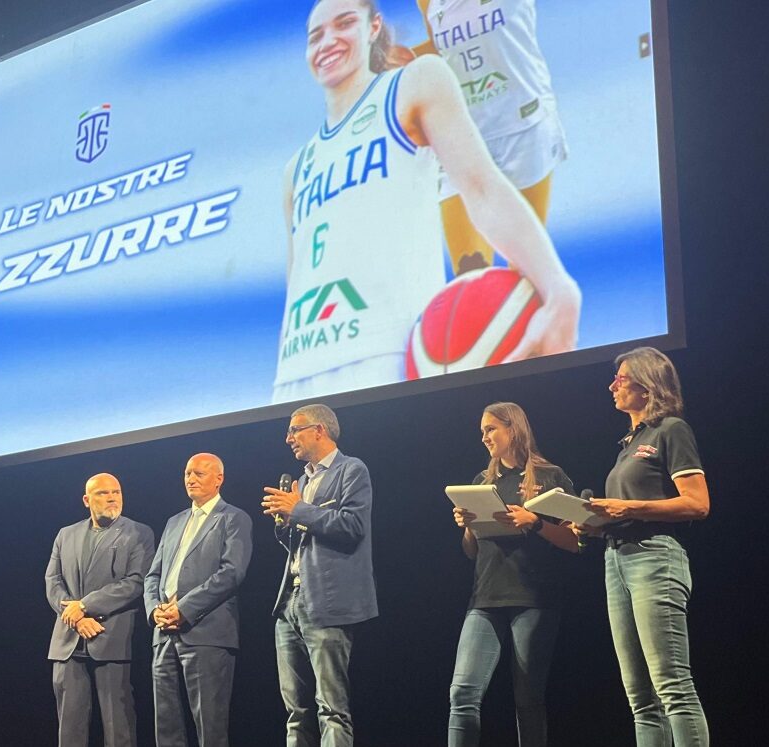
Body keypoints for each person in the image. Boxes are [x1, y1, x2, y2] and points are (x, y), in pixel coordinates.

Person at [273, 0, 581, 402]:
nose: (327, 41)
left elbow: (481, 187)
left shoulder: (413, 85)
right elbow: (296, 284)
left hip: (386, 355)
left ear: (373, 27)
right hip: (296, 377)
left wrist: (558, 287)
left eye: (344, 24)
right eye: (316, 36)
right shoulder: (295, 169)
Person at [576, 347, 710, 746]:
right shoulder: (628, 444)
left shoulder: (671, 429)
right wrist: (592, 524)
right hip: (615, 560)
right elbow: (623, 514)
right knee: (640, 698)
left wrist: (627, 506)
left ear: (647, 384)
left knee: (672, 686)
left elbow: (698, 504)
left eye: (621, 378)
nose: (612, 385)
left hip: (654, 557)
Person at [448, 402, 579, 746]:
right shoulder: (482, 481)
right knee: (462, 693)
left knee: (528, 698)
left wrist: (534, 523)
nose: (485, 437)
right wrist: (468, 527)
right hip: (485, 596)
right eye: (482, 432)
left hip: (534, 597)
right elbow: (471, 551)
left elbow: (575, 543)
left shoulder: (551, 477)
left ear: (513, 428)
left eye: (491, 429)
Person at [410, 0, 567, 276]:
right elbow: (441, 48)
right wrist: (401, 60)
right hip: (462, 138)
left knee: (527, 273)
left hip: (523, 126)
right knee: (470, 279)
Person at [261, 403, 377, 747]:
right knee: (295, 712)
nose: (288, 439)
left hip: (327, 602)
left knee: (332, 709)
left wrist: (298, 509)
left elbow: (353, 526)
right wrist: (284, 523)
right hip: (290, 604)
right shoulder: (300, 481)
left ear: (319, 430)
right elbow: (299, 541)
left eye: (294, 430)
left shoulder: (351, 470)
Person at [143, 453, 253, 747]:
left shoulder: (233, 518)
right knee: (166, 726)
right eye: (187, 473)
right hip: (163, 633)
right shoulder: (174, 521)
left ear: (219, 479)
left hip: (206, 633)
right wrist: (154, 610)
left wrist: (185, 608)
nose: (190, 479)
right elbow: (152, 575)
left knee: (210, 726)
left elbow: (232, 573)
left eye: (199, 474)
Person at [45, 472, 155, 747]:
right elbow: (52, 582)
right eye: (103, 493)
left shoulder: (139, 532)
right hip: (68, 640)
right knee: (70, 727)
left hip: (110, 635)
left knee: (118, 725)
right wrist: (77, 619)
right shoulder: (65, 534)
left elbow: (136, 582)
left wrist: (84, 606)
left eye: (116, 492)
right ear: (86, 500)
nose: (111, 498)